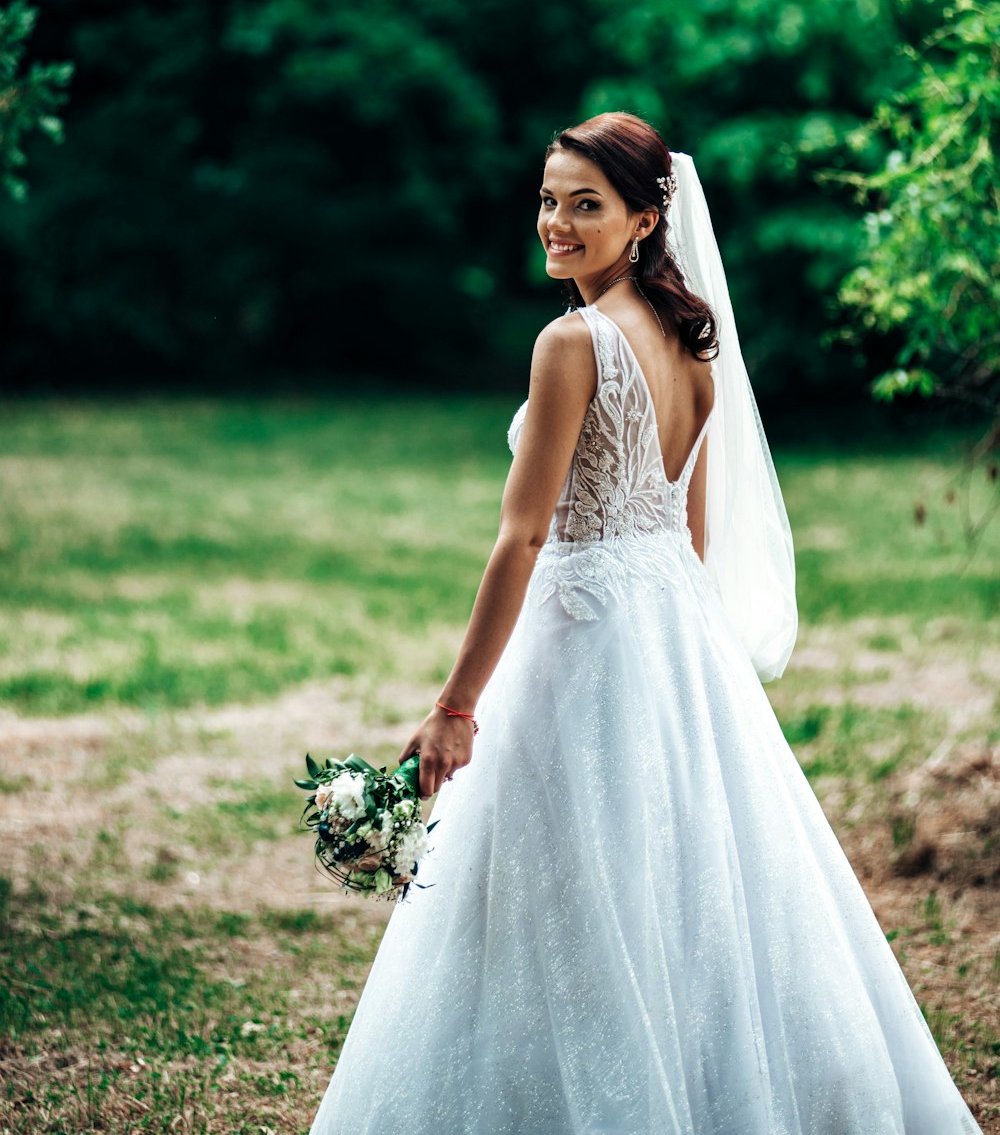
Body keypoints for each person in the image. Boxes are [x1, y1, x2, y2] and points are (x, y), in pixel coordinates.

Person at [308, 112, 982, 1135]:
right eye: (547, 200)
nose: (556, 223)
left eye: (586, 205)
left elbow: (522, 539)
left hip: (579, 638)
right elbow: (687, 531)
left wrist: (455, 705)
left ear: (643, 219)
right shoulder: (690, 338)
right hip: (674, 636)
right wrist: (687, 656)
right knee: (687, 883)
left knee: (567, 894)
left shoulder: (571, 343)